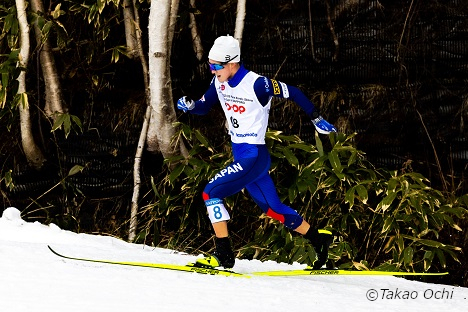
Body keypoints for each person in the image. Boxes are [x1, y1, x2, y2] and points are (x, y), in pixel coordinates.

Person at [177, 35, 336, 270]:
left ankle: (223, 254)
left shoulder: (257, 84)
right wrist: (191, 106)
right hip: (243, 156)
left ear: (232, 63)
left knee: (211, 193)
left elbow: (293, 91)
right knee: (273, 209)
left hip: (253, 155)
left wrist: (316, 117)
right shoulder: (218, 82)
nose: (212, 70)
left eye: (217, 65)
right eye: (210, 65)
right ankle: (319, 239)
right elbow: (204, 106)